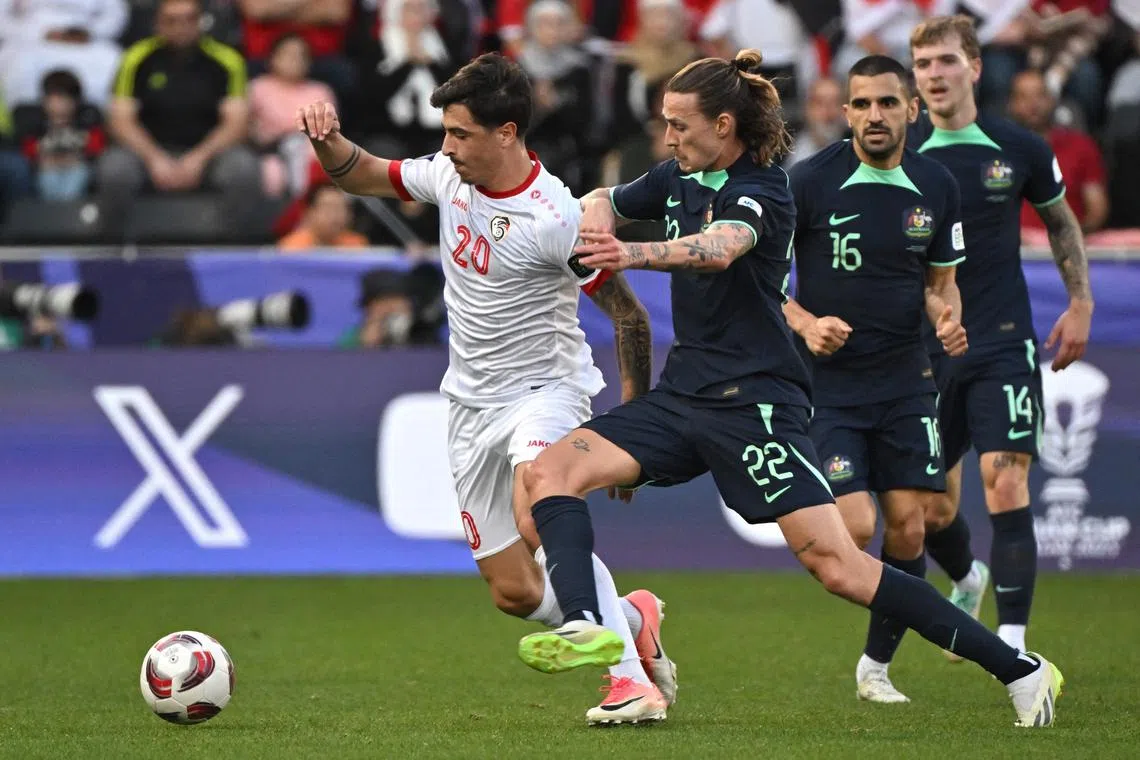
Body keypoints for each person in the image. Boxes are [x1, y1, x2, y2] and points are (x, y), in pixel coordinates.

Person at [516, 48, 1064, 729]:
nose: (669, 138)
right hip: (684, 395)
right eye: (664, 125)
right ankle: (588, 624)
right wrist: (596, 210)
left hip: (756, 407)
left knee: (842, 567)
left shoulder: (764, 191)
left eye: (680, 125)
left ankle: (1021, 669)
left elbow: (718, 247)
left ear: (724, 125)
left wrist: (630, 251)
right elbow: (604, 198)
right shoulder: (676, 176)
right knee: (549, 473)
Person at [296, 53, 677, 725]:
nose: (446, 147)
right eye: (445, 132)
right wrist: (329, 144)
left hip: (545, 388)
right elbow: (364, 175)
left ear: (507, 133)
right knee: (512, 592)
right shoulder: (450, 176)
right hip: (470, 402)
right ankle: (631, 617)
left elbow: (628, 314)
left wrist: (634, 419)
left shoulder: (555, 219)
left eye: (460, 133)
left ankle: (629, 683)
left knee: (541, 500)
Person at [784, 55, 969, 704]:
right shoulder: (808, 181)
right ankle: (933, 606)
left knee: (912, 525)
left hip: (907, 379)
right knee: (855, 526)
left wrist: (947, 319)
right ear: (845, 112)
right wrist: (806, 324)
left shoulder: (938, 185)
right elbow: (767, 287)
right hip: (831, 386)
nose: (874, 116)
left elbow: (941, 284)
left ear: (913, 109)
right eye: (861, 104)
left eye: (887, 103)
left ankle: (876, 669)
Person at [908, 15, 1093, 656]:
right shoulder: (899, 156)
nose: (934, 74)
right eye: (924, 63)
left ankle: (1013, 645)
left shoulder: (1017, 147)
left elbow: (1062, 223)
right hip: (925, 351)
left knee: (1005, 481)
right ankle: (967, 575)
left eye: (946, 61)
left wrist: (1080, 301)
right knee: (927, 509)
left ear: (974, 68)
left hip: (1004, 336)